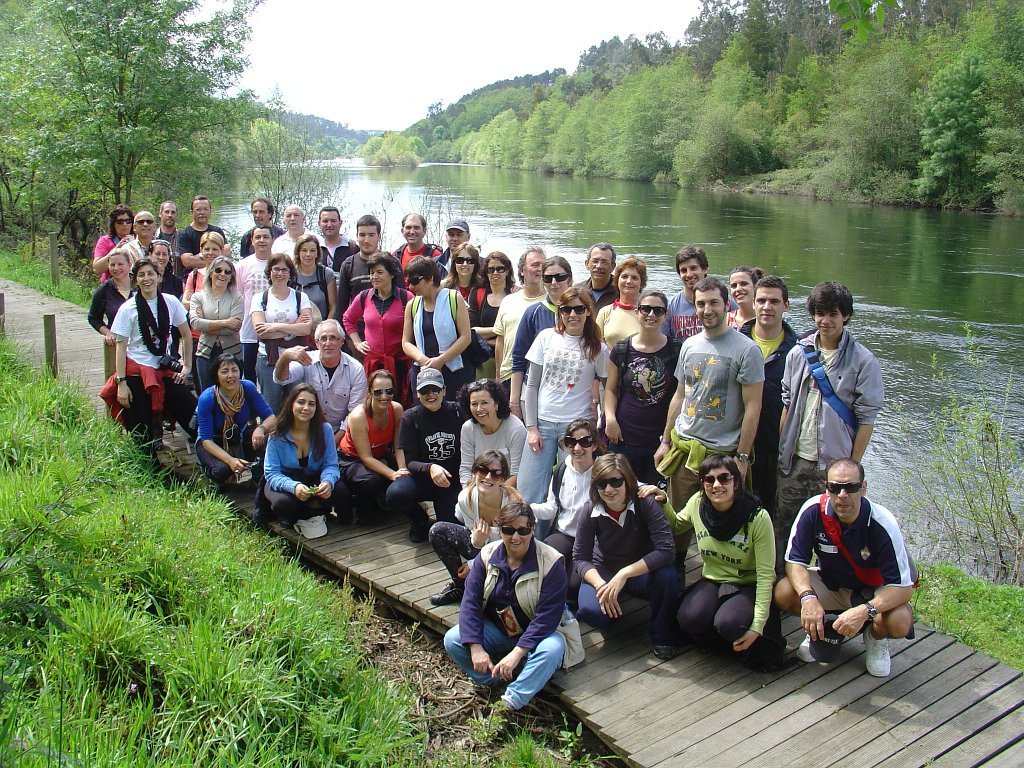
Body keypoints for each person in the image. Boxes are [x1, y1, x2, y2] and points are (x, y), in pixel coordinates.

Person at [774, 458, 916, 678]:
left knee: (900, 622)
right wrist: (808, 598)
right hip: (833, 583)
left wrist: (865, 610)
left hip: (872, 591)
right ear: (827, 487)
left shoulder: (883, 522)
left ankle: (875, 637)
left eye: (850, 487)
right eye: (835, 487)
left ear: (864, 488)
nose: (842, 495)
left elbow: (903, 588)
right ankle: (818, 629)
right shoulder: (812, 510)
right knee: (784, 592)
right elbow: (795, 562)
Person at [775, 281, 884, 552]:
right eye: (820, 313)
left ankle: (830, 585)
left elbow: (866, 419)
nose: (825, 321)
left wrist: (852, 468)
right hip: (796, 460)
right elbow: (787, 404)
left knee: (834, 535)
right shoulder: (798, 354)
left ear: (845, 316)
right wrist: (782, 448)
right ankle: (779, 584)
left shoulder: (863, 361)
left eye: (833, 314)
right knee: (784, 528)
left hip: (835, 466)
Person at [443, 501, 568, 711]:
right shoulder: (486, 555)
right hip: (499, 629)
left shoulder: (551, 562)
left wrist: (517, 653)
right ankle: (492, 679)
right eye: (508, 530)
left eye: (523, 530)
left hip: (536, 634)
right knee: (453, 639)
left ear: (533, 529)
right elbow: (470, 602)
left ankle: (511, 701)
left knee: (553, 649)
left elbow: (547, 618)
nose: (516, 537)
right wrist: (475, 647)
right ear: (499, 530)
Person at [655, 277, 764, 515]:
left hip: (724, 455)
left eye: (714, 303)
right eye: (701, 304)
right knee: (678, 520)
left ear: (727, 305)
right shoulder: (689, 345)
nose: (707, 310)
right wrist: (665, 441)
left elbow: (753, 407)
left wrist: (743, 457)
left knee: (723, 521)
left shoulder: (747, 350)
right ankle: (680, 555)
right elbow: (680, 395)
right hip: (685, 451)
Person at [670, 455, 783, 670]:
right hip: (713, 579)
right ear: (702, 484)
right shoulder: (697, 503)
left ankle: (743, 643)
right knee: (688, 618)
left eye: (724, 478)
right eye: (709, 480)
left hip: (748, 583)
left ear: (737, 482)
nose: (717, 485)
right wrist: (662, 500)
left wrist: (758, 625)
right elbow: (676, 525)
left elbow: (766, 575)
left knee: (729, 623)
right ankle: (721, 646)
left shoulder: (757, 517)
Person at [573, 454, 680, 659]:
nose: (609, 489)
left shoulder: (645, 503)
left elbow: (666, 550)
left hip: (641, 571)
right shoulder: (589, 510)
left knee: (668, 578)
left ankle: (663, 635)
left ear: (628, 480)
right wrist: (601, 585)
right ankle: (612, 612)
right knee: (591, 612)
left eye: (616, 481)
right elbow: (580, 557)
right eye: (602, 484)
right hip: (605, 569)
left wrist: (624, 574)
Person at [518, 287, 607, 504]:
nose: (573, 315)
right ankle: (533, 535)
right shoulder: (545, 338)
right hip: (543, 423)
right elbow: (532, 385)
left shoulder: (598, 348)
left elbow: (605, 387)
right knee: (529, 489)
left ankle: (563, 535)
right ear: (560, 312)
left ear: (588, 311)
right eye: (567, 309)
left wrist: (603, 420)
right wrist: (531, 427)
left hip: (577, 426)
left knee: (572, 490)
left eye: (579, 309)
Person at [99, 257, 197, 453]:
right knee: (141, 429)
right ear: (135, 280)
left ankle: (212, 461)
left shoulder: (170, 302)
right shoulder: (128, 309)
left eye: (151, 274)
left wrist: (186, 367)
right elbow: (121, 347)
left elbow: (186, 335)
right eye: (141, 275)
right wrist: (122, 383)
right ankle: (148, 469)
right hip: (136, 371)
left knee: (193, 415)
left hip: (164, 368)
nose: (146, 279)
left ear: (159, 277)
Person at [603, 290, 681, 485]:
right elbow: (611, 389)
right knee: (622, 492)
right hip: (624, 436)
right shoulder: (621, 349)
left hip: (661, 439)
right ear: (637, 312)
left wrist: (669, 436)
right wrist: (610, 419)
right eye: (646, 309)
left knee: (654, 497)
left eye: (658, 310)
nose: (651, 315)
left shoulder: (677, 350)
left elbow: (681, 394)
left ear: (666, 315)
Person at [428, 450, 523, 606]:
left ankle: (480, 585)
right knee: (437, 530)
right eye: (482, 470)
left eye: (496, 473)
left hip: (509, 556)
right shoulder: (467, 498)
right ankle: (460, 585)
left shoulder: (513, 506)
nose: (487, 477)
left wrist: (473, 563)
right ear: (474, 473)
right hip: (482, 548)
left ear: (503, 479)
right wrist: (476, 542)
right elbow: (471, 534)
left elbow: (512, 550)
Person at [737, 276, 796, 525]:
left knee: (771, 508)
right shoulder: (735, 341)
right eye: (761, 300)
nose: (766, 307)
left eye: (774, 301)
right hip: (736, 439)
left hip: (775, 443)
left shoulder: (799, 350)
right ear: (753, 302)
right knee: (735, 503)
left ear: (786, 305)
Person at [386, 368, 463, 542]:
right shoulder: (410, 417)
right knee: (396, 494)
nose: (430, 395)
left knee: (447, 530)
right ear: (417, 393)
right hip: (422, 477)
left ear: (444, 390)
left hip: (451, 480)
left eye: (435, 389)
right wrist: (431, 468)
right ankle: (419, 519)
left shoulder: (458, 412)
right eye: (424, 391)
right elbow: (410, 461)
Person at [260, 384, 343, 540]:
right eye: (301, 402)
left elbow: (331, 465)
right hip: (284, 481)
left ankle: (309, 508)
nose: (306, 408)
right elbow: (271, 473)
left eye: (311, 404)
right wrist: (294, 487)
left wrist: (327, 482)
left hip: (313, 479)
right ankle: (308, 509)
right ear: (291, 404)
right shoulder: (277, 433)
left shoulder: (324, 429)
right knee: (283, 503)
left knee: (341, 491)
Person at [532, 419, 606, 591]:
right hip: (564, 533)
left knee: (573, 584)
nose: (577, 448)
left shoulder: (603, 469)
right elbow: (551, 508)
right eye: (571, 442)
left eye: (585, 442)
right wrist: (527, 507)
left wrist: (653, 491)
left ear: (594, 445)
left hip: (592, 538)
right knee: (541, 563)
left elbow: (629, 485)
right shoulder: (561, 470)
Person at [273, 319, 367, 448]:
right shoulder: (307, 360)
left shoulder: (355, 369)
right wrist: (285, 357)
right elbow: (280, 379)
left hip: (341, 432)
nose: (328, 343)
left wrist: (332, 442)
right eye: (323, 338)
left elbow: (354, 413)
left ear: (342, 341)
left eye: (333, 338)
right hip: (308, 428)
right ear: (317, 343)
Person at [336, 369, 407, 524]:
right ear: (369, 392)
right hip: (351, 459)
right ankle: (363, 512)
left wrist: (402, 470)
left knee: (409, 473)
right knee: (371, 481)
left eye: (389, 391)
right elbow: (365, 458)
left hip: (381, 454)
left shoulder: (397, 409)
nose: (384, 397)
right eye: (378, 392)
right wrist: (392, 474)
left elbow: (399, 446)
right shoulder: (358, 416)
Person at [195, 352, 276, 486]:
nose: (230, 376)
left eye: (234, 370)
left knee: (269, 440)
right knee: (222, 470)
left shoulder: (247, 387)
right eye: (224, 371)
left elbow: (272, 418)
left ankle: (257, 478)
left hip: (239, 436)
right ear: (216, 375)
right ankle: (209, 475)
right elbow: (206, 441)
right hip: (213, 441)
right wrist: (230, 461)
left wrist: (261, 429)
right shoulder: (207, 398)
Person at [342, 253, 413, 403]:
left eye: (379, 272)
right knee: (373, 405)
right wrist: (357, 342)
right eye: (372, 273)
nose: (374, 276)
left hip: (400, 364)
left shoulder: (406, 298)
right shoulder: (364, 297)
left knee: (399, 403)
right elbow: (348, 319)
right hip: (372, 364)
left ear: (392, 274)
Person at [508, 256, 573, 419]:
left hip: (572, 396)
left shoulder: (581, 312)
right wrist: (514, 401)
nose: (554, 283)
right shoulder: (533, 312)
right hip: (536, 393)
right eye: (548, 278)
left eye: (560, 277)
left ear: (570, 279)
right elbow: (518, 359)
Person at [401, 256, 473, 399]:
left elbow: (466, 337)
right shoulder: (412, 305)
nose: (410, 287)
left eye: (415, 281)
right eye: (409, 282)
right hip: (423, 370)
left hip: (452, 370)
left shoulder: (454, 298)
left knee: (453, 414)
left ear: (430, 279)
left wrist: (441, 360)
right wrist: (424, 360)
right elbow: (406, 342)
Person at [251, 253, 313, 413]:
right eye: (276, 269)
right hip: (267, 359)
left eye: (284, 270)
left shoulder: (301, 297)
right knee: (270, 408)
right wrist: (293, 327)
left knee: (298, 406)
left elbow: (306, 329)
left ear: (290, 273)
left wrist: (273, 327)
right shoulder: (260, 298)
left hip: (296, 360)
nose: (280, 273)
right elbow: (261, 331)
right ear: (269, 272)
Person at [493, 247, 546, 393]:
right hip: (508, 375)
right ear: (522, 270)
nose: (540, 269)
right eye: (535, 265)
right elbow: (501, 339)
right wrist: (498, 374)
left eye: (543, 265)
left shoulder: (553, 302)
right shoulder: (508, 301)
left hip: (540, 376)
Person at [458, 378, 527, 488]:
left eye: (484, 403)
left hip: (508, 490)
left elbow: (516, 473)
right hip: (479, 489)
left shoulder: (515, 429)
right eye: (474, 404)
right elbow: (466, 469)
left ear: (496, 404)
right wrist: (468, 494)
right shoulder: (468, 428)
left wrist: (494, 496)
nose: (479, 409)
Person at [189, 255, 244, 392]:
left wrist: (206, 325)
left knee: (231, 394)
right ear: (211, 272)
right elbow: (195, 324)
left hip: (232, 353)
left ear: (232, 276)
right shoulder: (198, 297)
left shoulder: (237, 298)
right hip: (205, 354)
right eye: (218, 270)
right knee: (207, 395)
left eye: (227, 272)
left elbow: (233, 329)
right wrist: (226, 322)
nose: (222, 274)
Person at [470, 250, 515, 380]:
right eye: (491, 269)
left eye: (500, 269)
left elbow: (515, 332)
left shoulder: (516, 296)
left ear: (507, 271)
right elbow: (472, 330)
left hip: (509, 360)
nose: (495, 273)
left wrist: (487, 339)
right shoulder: (477, 294)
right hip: (483, 359)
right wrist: (499, 332)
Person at [335, 214, 384, 316]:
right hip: (356, 329)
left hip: (386, 328)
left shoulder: (391, 263)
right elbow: (341, 306)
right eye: (362, 235)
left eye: (371, 235)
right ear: (357, 236)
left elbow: (401, 302)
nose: (366, 240)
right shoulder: (348, 265)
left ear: (379, 236)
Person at [594, 256, 646, 347]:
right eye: (624, 277)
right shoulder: (605, 312)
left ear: (641, 283)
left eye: (634, 278)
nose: (629, 281)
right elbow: (598, 346)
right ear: (617, 280)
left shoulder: (649, 313)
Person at [88, 248, 134, 346]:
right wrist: (108, 333)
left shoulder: (140, 285)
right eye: (112, 265)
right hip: (118, 343)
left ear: (129, 264)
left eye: (120, 264)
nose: (116, 268)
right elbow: (93, 318)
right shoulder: (104, 290)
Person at [291, 232, 337, 327]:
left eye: (312, 250)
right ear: (298, 253)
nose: (308, 254)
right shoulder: (290, 275)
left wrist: (325, 328)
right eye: (304, 250)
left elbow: (333, 307)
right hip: (295, 330)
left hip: (321, 330)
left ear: (317, 253)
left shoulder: (327, 274)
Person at [665, 245, 708, 342]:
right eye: (683, 270)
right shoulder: (669, 306)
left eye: (693, 268)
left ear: (705, 269)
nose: (689, 274)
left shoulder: (723, 302)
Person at [177, 196, 227, 274]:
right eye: (198, 210)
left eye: (205, 209)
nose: (202, 212)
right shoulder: (184, 234)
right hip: (194, 279)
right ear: (192, 212)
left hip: (216, 277)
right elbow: (188, 261)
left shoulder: (217, 231)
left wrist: (198, 258)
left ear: (210, 211)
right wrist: (216, 261)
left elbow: (227, 254)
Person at [92, 205, 134, 278]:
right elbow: (96, 269)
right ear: (114, 224)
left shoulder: (138, 239)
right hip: (111, 285)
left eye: (128, 221)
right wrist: (116, 250)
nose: (124, 224)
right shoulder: (105, 241)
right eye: (120, 222)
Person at [575, 243, 618, 313]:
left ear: (613, 266)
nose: (599, 266)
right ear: (587, 264)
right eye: (595, 261)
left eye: (604, 262)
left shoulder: (620, 291)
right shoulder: (578, 290)